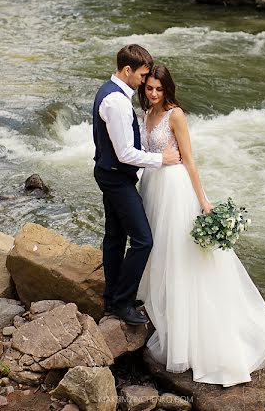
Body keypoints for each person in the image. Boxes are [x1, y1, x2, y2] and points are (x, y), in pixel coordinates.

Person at [136, 64, 265, 387]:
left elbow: (190, 160)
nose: (153, 94)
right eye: (149, 89)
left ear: (168, 89)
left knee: (181, 255)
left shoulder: (175, 116)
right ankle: (164, 312)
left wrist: (203, 201)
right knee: (158, 251)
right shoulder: (146, 114)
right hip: (152, 187)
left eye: (158, 89)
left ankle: (191, 330)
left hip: (175, 191)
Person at [93, 45, 182, 326]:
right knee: (143, 240)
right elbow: (125, 154)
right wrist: (162, 158)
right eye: (143, 76)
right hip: (117, 177)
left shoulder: (109, 91)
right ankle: (122, 303)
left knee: (115, 237)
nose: (145, 82)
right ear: (128, 70)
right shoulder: (117, 102)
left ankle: (111, 297)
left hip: (110, 172)